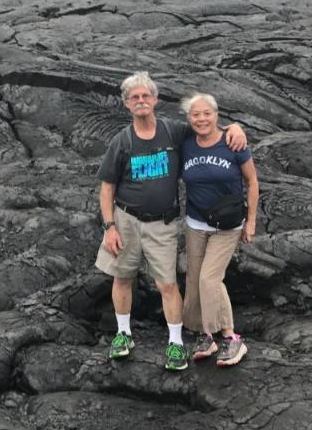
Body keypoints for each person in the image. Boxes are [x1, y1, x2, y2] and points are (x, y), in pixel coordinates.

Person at [96, 73, 246, 371]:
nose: (141, 101)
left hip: (162, 224)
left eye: (145, 96)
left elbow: (206, 125)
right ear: (127, 104)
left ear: (155, 100)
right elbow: (107, 188)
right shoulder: (121, 141)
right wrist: (109, 226)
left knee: (167, 284)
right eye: (134, 97)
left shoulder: (173, 132)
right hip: (126, 220)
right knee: (122, 277)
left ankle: (176, 343)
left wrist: (235, 127)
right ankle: (123, 334)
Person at [180, 92, 260, 368]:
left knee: (209, 279)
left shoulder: (233, 143)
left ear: (216, 115)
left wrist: (251, 222)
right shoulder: (186, 144)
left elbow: (252, 181)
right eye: (195, 114)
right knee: (194, 282)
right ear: (189, 119)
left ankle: (230, 336)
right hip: (195, 225)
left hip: (227, 226)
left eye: (207, 113)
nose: (201, 119)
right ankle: (206, 335)